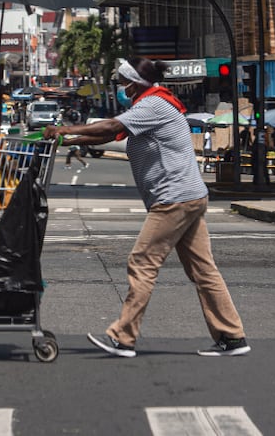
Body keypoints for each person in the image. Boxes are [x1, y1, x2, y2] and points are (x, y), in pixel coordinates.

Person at [44, 56, 250, 358]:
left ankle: (124, 338)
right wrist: (69, 141)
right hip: (188, 195)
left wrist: (63, 131)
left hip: (173, 199)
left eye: (125, 83)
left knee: (142, 263)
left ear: (136, 83)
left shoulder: (152, 105)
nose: (123, 88)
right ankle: (232, 337)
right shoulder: (152, 104)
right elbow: (111, 134)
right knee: (203, 269)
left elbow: (113, 125)